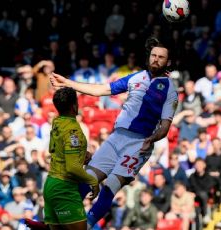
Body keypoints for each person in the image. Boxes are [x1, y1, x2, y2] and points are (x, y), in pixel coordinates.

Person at [50, 37, 178, 228]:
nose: (156, 59)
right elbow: (101, 89)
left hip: (139, 143)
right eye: (153, 55)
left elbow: (165, 127)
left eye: (161, 57)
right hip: (116, 137)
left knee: (110, 185)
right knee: (87, 178)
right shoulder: (136, 77)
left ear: (168, 62)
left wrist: (152, 139)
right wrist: (68, 83)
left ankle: (86, 225)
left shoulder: (170, 90)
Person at [42, 87, 99, 230]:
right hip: (64, 188)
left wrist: (80, 154)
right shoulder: (73, 131)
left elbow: (59, 148)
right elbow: (72, 167)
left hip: (50, 184)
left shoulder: (57, 122)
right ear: (75, 105)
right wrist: (93, 181)